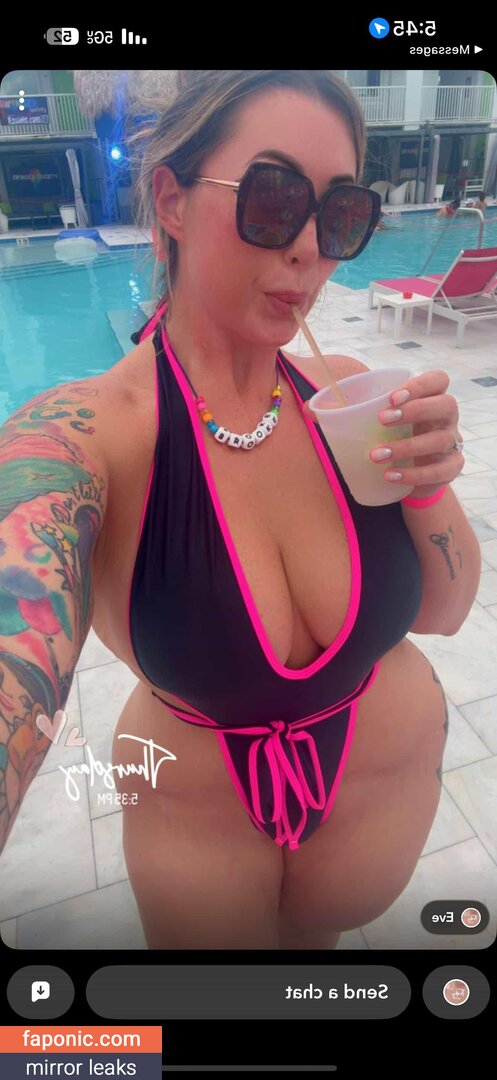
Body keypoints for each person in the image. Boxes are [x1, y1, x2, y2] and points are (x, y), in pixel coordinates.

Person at [0, 70, 481, 951]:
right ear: (171, 201)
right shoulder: (89, 434)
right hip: (196, 812)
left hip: (380, 778)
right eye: (273, 199)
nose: (309, 249)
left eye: (339, 215)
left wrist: (426, 480)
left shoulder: (343, 392)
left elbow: (447, 612)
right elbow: (16, 600)